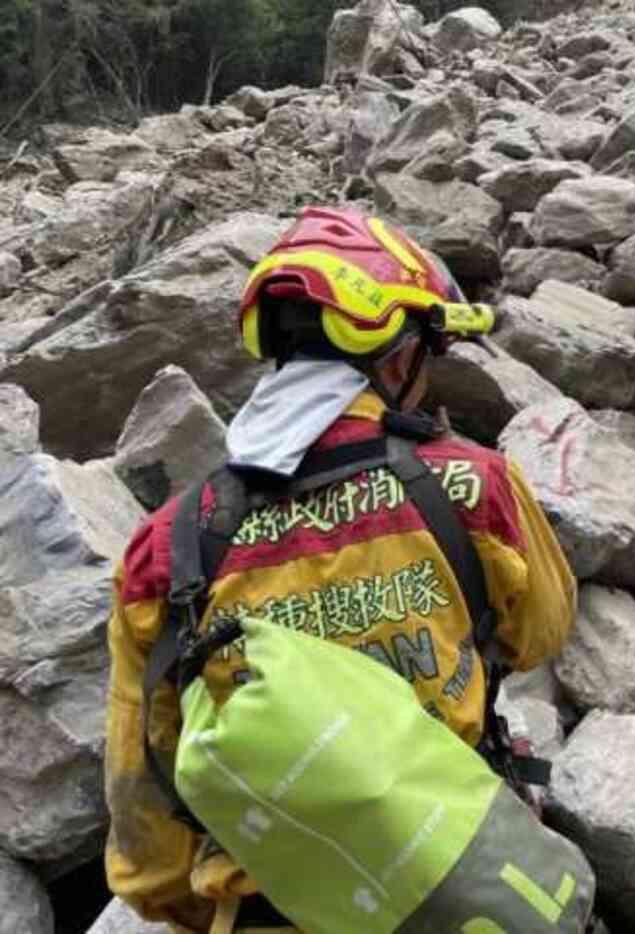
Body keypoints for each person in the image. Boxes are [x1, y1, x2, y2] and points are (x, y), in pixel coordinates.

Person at [103, 206, 577, 933]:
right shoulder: (474, 487)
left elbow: (146, 774)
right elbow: (539, 633)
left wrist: (176, 901)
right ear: (395, 356)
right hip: (451, 881)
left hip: (270, 904)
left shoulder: (170, 544)